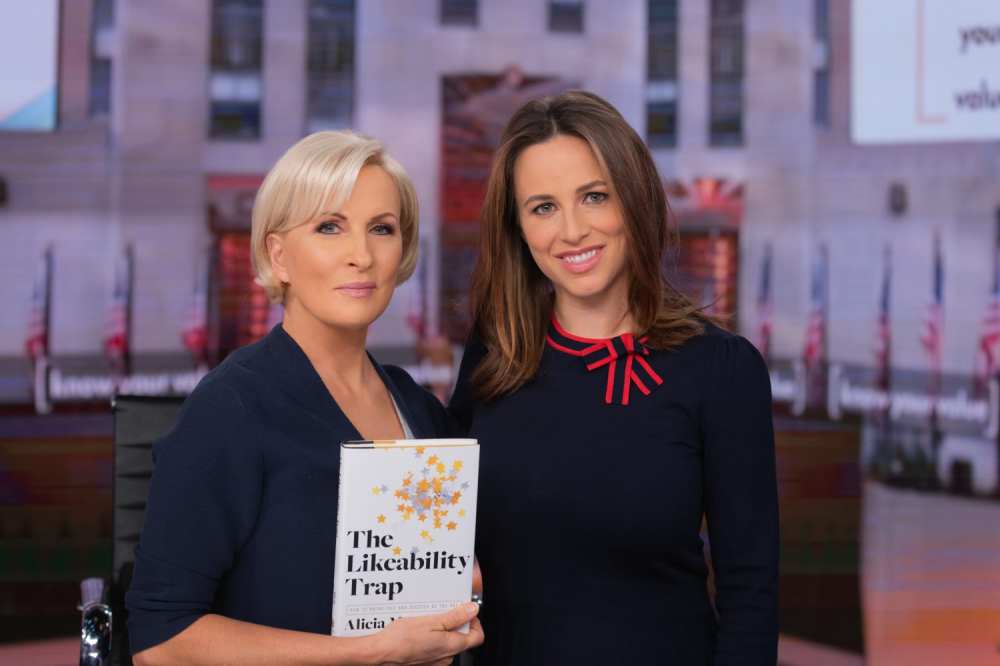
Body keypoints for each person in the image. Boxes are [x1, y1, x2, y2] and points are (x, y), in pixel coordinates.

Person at [127, 131, 483, 666]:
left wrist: (459, 581)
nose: (361, 256)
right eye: (329, 227)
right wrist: (371, 653)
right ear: (279, 256)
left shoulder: (420, 408)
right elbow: (162, 644)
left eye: (382, 229)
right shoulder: (231, 407)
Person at [450, 91, 778, 665]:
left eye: (594, 197)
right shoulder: (493, 355)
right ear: (518, 228)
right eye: (543, 207)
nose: (572, 230)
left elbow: (750, 593)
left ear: (635, 197)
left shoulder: (722, 369)